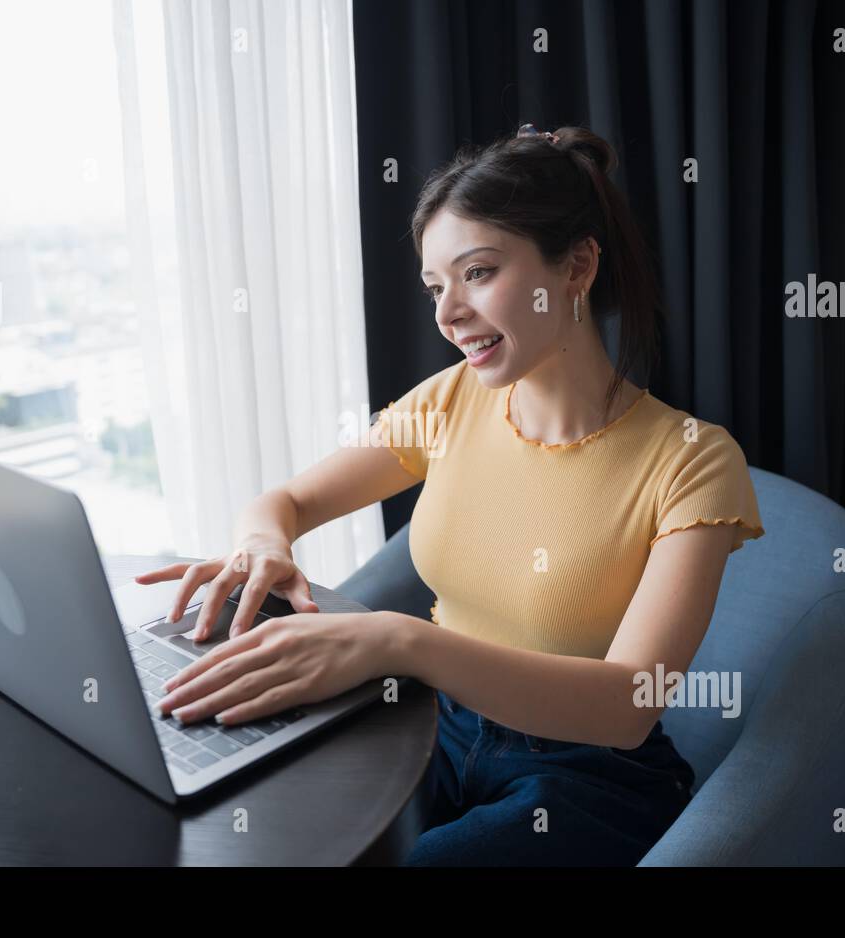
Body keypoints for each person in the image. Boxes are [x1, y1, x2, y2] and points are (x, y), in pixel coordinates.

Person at [137, 123, 765, 866]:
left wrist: (401, 642)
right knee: (261, 824)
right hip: (431, 727)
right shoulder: (451, 402)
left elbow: (629, 705)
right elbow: (287, 503)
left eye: (477, 273)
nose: (447, 314)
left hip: (584, 775)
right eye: (436, 287)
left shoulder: (692, 461)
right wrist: (262, 546)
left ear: (578, 266)